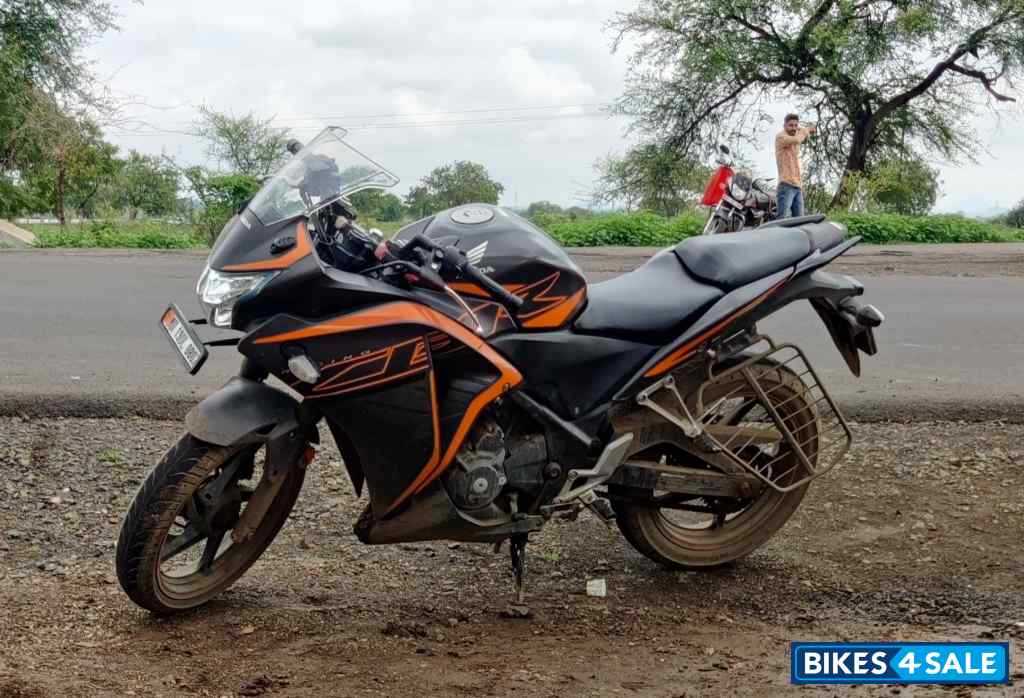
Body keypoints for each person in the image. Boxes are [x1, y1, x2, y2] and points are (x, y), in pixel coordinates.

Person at [775, 113, 815, 219]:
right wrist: (806, 131)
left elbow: (800, 136)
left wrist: (806, 130)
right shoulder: (781, 137)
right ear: (784, 126)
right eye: (790, 125)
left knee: (800, 221)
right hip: (786, 185)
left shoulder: (796, 135)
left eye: (795, 125)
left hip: (798, 186)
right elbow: (798, 139)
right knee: (781, 219)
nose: (794, 128)